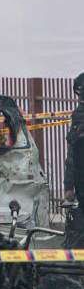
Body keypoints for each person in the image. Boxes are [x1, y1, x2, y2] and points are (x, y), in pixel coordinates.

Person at [63, 73, 84, 204]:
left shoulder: (79, 116)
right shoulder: (79, 115)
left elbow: (72, 154)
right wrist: (69, 185)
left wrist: (69, 186)